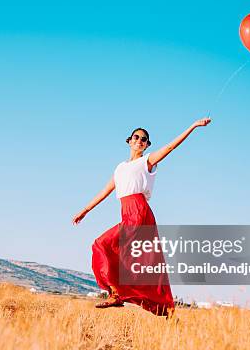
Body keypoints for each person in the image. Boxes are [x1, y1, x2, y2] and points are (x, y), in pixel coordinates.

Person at [72, 118, 211, 316]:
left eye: (144, 139)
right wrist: (85, 210)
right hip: (127, 211)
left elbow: (171, 147)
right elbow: (106, 190)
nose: (139, 141)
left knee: (118, 253)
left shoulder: (146, 162)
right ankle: (122, 295)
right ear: (129, 141)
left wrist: (193, 126)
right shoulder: (120, 168)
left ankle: (118, 295)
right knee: (103, 246)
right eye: (136, 137)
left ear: (147, 145)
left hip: (139, 212)